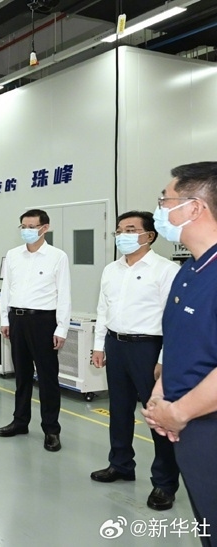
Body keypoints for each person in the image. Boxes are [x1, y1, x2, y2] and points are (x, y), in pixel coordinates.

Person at [142, 162, 217, 546]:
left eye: (165, 201)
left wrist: (179, 412)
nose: (160, 210)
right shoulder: (189, 270)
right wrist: (160, 397)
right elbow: (177, 342)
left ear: (195, 207)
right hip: (186, 427)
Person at [90, 211, 180, 511]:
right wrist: (98, 346)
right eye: (119, 230)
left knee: (156, 415)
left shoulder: (165, 270)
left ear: (149, 236)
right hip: (115, 344)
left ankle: (164, 483)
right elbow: (103, 308)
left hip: (149, 348)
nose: (122, 235)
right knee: (119, 409)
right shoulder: (111, 270)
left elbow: (173, 319)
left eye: (130, 230)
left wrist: (164, 358)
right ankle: (120, 464)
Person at [0, 209, 71, 452]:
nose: (27, 231)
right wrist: (5, 319)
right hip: (17, 319)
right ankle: (20, 421)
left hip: (44, 321)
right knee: (22, 374)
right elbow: (6, 289)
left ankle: (51, 429)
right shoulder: (13, 255)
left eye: (32, 226)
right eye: (23, 226)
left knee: (48, 377)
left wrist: (61, 328)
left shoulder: (57, 256)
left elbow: (64, 294)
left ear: (44, 228)